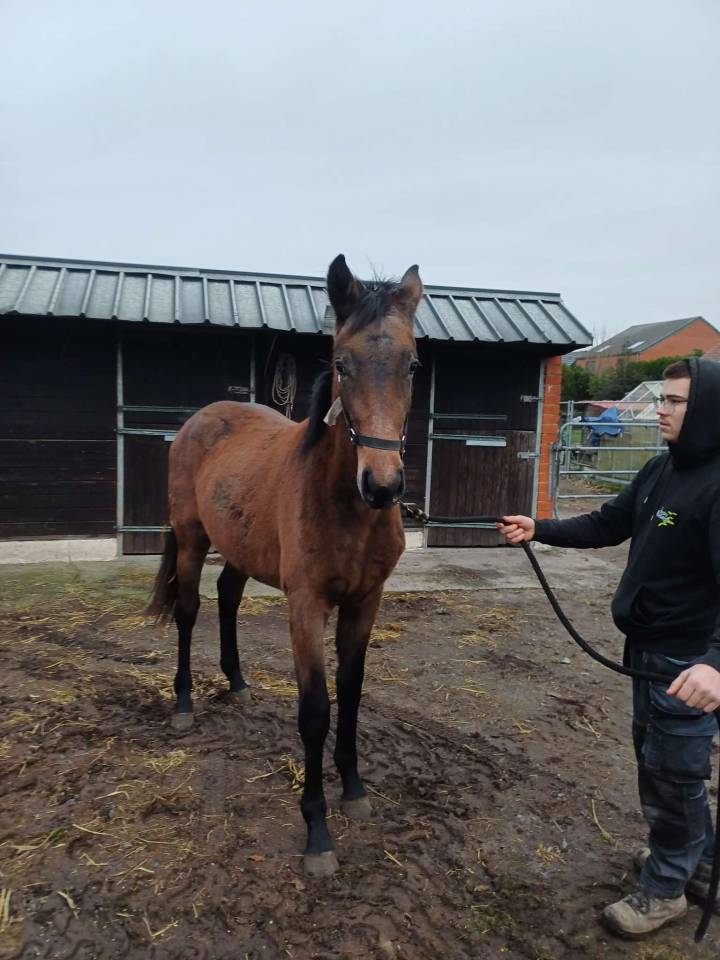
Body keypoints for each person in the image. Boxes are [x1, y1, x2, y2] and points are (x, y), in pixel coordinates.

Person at [498, 357, 720, 939]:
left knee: (671, 777)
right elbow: (607, 522)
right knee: (667, 769)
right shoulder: (661, 470)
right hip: (650, 659)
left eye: (675, 402)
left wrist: (716, 665)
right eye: (663, 399)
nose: (660, 410)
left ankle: (665, 890)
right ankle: (699, 865)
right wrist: (539, 528)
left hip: (689, 665)